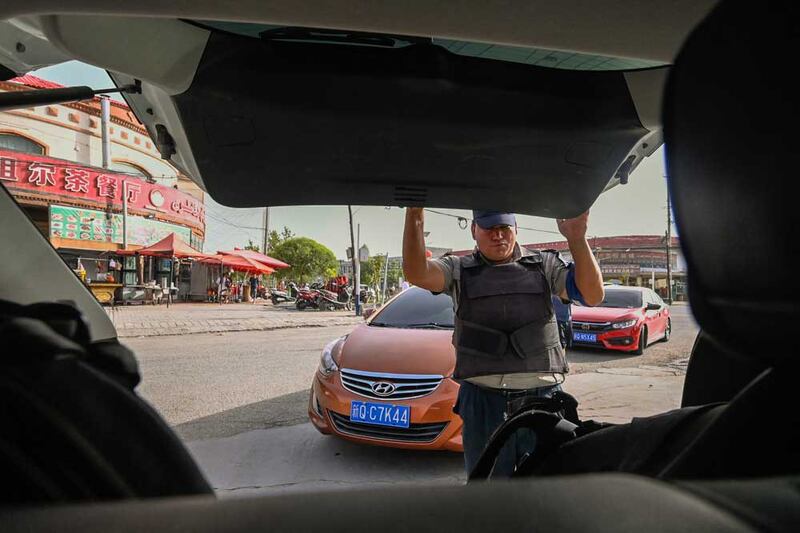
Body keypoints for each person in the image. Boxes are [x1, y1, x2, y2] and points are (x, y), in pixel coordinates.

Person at [402, 208, 603, 477]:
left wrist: (577, 238)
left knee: (545, 488)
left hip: (542, 400)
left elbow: (593, 294)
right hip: (484, 401)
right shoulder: (458, 268)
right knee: (487, 492)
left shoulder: (544, 264)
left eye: (504, 228)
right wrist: (415, 213)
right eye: (488, 228)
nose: (498, 236)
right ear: (474, 230)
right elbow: (417, 273)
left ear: (516, 229)